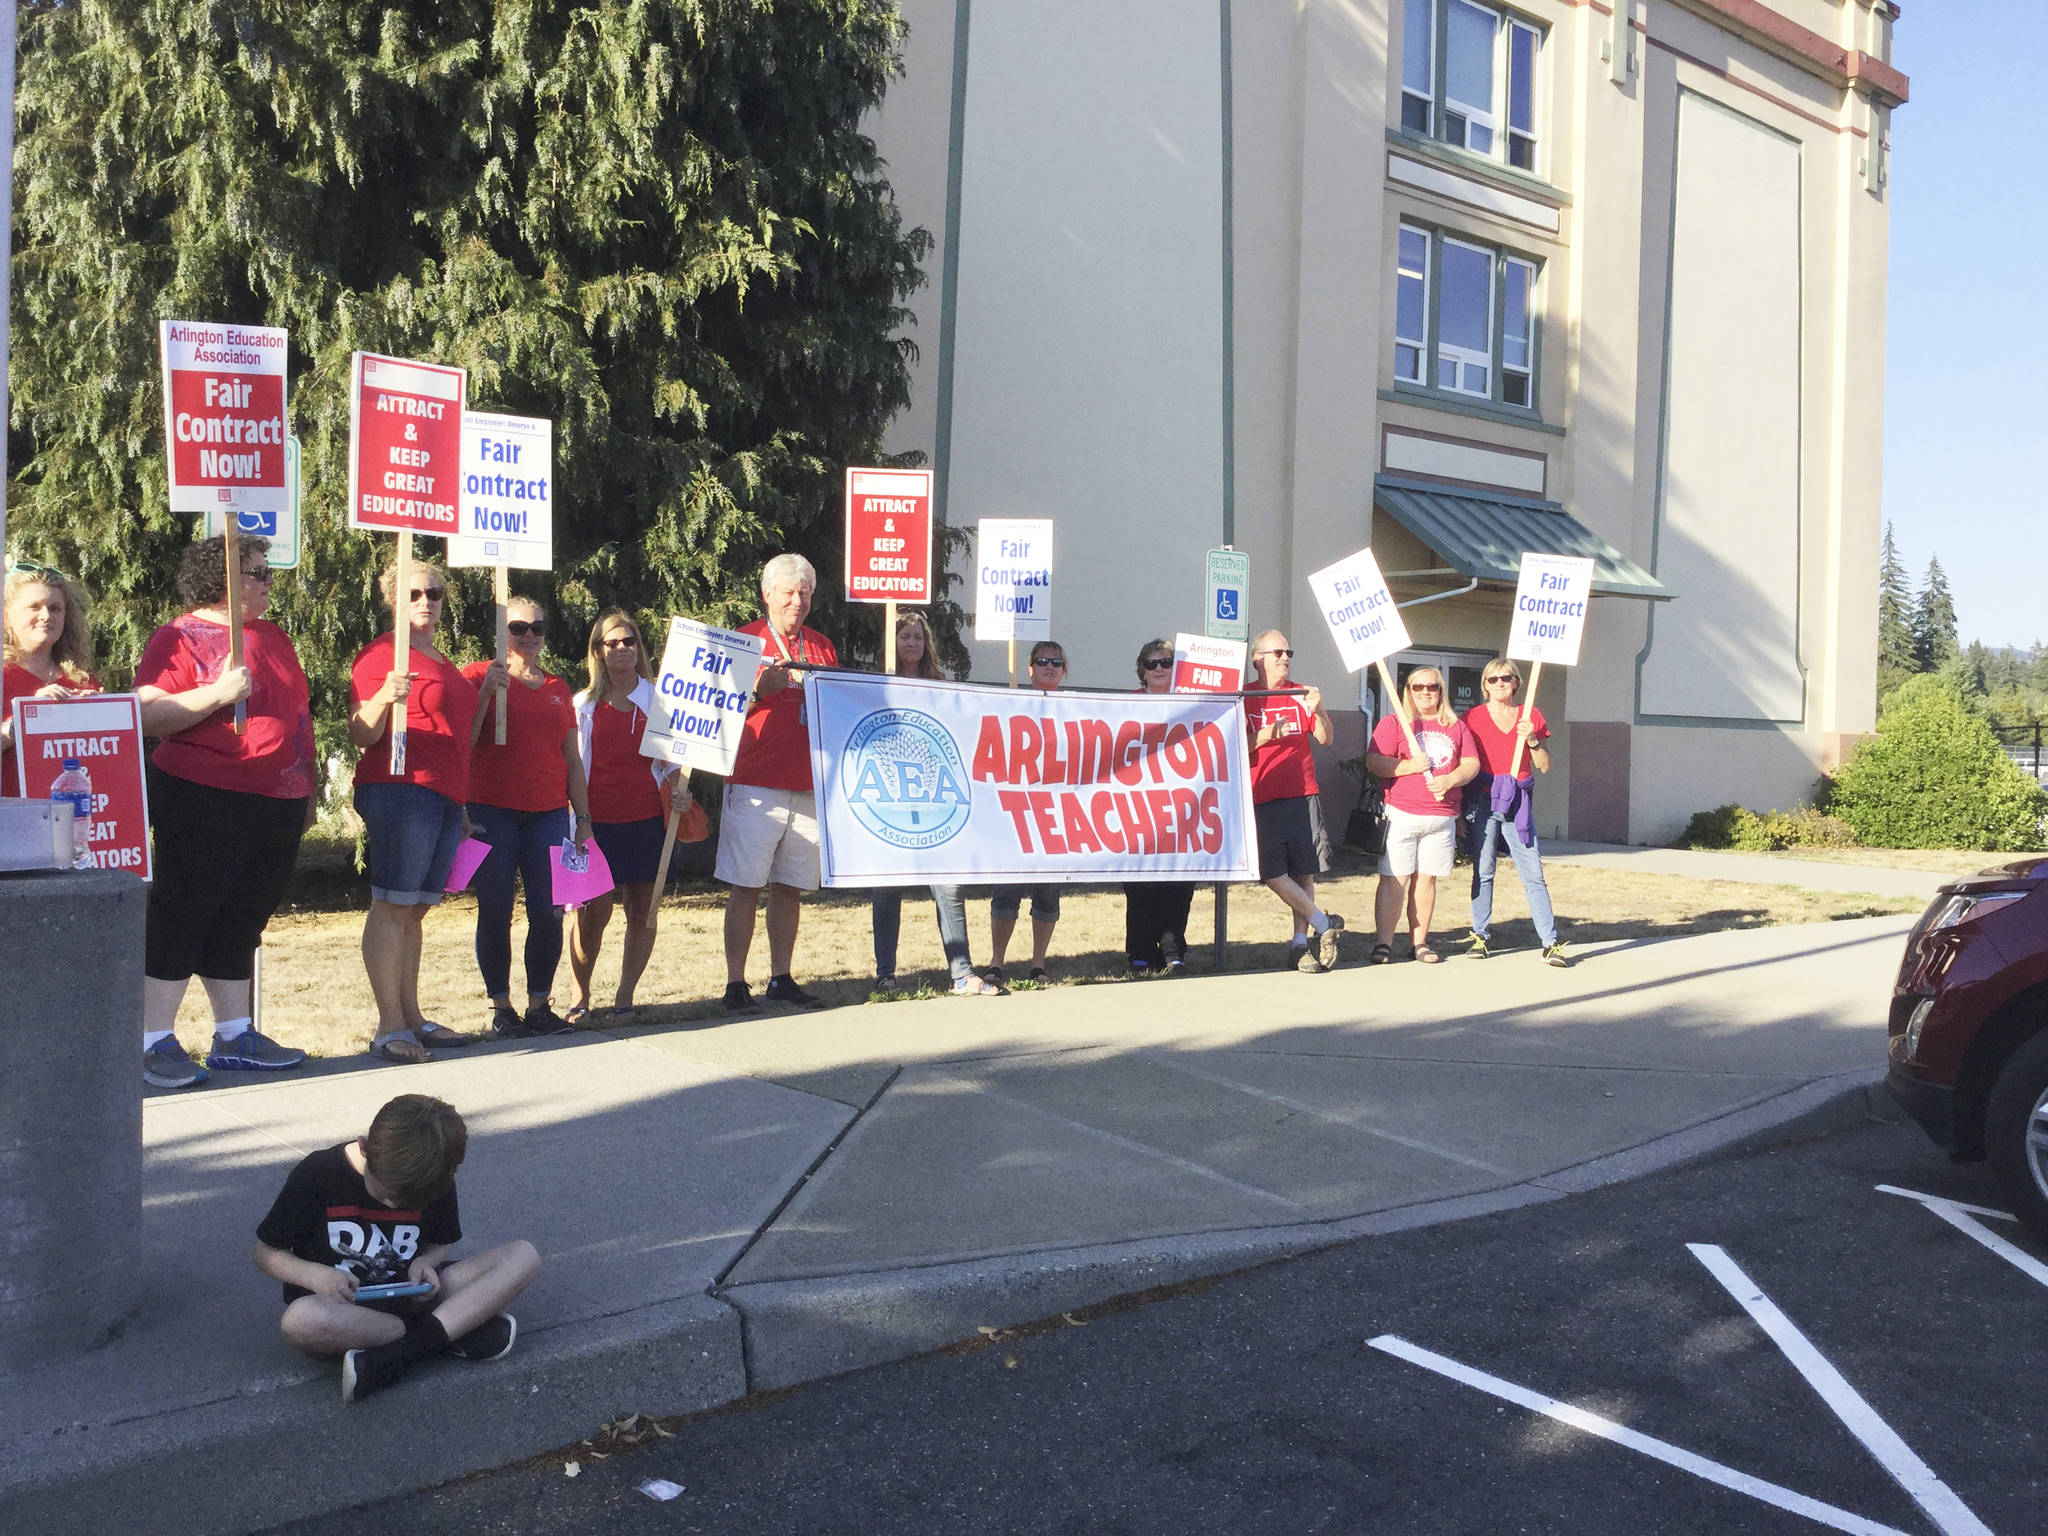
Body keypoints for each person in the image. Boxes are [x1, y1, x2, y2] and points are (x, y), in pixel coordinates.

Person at [134, 535, 314, 1089]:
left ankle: (235, 1033)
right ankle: (151, 1039)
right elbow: (146, 713)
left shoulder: (274, 637)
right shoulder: (179, 635)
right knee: (185, 907)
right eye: (258, 572)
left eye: (265, 571)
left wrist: (306, 787)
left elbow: (297, 714)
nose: (268, 581)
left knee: (242, 913)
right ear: (226, 579)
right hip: (202, 790)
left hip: (277, 796)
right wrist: (214, 695)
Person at [253, 1092, 540, 1404]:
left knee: (523, 1255)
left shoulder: (433, 1176)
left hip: (414, 1295)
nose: (394, 1205)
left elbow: (439, 1243)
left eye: (408, 1203)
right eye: (386, 1194)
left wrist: (427, 1262)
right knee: (299, 1322)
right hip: (346, 1310)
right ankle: (452, 1330)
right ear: (364, 1147)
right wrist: (315, 1276)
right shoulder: (318, 1173)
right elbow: (265, 1252)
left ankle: (398, 1357)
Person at [348, 558, 503, 1063]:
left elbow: (463, 739)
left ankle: (412, 1017)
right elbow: (361, 732)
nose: (425, 602)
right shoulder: (381, 656)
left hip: (441, 796)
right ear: (392, 599)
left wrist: (483, 695)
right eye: (414, 593)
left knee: (415, 910)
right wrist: (382, 697)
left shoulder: (439, 660)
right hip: (399, 789)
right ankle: (388, 1025)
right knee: (392, 904)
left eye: (433, 593)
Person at [463, 597, 596, 1036]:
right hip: (492, 810)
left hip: (549, 814)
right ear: (502, 631)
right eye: (519, 627)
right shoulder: (479, 675)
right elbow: (462, 740)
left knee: (548, 910)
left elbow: (571, 758)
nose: (529, 636)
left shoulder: (558, 687)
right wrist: (485, 693)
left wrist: (584, 815)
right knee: (496, 908)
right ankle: (502, 1008)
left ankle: (539, 1004)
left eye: (538, 628)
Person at [718, 554, 839, 1014]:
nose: (797, 600)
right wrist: (754, 692)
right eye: (788, 591)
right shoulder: (743, 642)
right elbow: (710, 711)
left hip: (808, 784)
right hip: (755, 783)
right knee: (745, 885)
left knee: (790, 886)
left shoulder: (823, 647)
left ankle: (781, 976)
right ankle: (734, 983)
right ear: (767, 594)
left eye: (805, 592)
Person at [568, 609, 691, 1022]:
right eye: (612, 642)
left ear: (639, 648)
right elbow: (571, 766)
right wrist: (578, 820)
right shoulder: (582, 705)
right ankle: (579, 994)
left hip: (645, 821)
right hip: (592, 823)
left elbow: (675, 764)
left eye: (629, 641)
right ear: (598, 652)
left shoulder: (659, 701)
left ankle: (625, 996)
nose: (622, 648)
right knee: (592, 911)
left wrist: (679, 794)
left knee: (644, 908)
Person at [869, 610, 992, 996]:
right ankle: (885, 974)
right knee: (886, 888)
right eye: (904, 636)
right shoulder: (874, 686)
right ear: (893, 642)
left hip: (934, 798)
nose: (911, 643)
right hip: (889, 798)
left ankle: (962, 973)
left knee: (948, 885)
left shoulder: (940, 686)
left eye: (918, 637)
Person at [1244, 630, 1344, 973]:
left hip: (1302, 792)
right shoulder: (1245, 696)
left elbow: (1326, 739)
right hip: (1261, 795)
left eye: (1289, 652)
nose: (1285, 658)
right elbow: (1233, 747)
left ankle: (1300, 946)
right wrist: (1267, 734)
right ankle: (1323, 923)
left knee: (1303, 872)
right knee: (1271, 872)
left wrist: (1318, 711)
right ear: (1258, 658)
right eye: (1278, 652)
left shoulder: (1300, 694)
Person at [1367, 665, 1480, 965]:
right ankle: (1383, 944)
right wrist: (1408, 767)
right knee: (1395, 879)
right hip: (1402, 811)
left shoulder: (1456, 726)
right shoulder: (1395, 723)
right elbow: (1375, 761)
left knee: (1427, 880)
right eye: (1418, 687)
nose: (1426, 692)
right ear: (1408, 692)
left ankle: (1419, 943)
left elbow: (1471, 764)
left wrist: (1451, 779)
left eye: (1432, 687)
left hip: (1441, 816)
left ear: (1441, 691)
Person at [1463, 658, 1571, 966]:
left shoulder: (1530, 715)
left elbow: (1545, 766)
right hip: (1484, 800)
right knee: (1483, 871)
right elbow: (1466, 762)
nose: (1500, 684)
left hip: (1518, 803)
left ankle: (1550, 943)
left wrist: (1533, 739)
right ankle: (1480, 935)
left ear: (1516, 683)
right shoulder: (1472, 717)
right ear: (1485, 685)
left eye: (1506, 678)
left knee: (1533, 873)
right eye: (1493, 679)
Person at [985, 639, 1070, 986]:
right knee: (1007, 889)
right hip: (1017, 811)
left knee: (1047, 892)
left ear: (1064, 671)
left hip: (1059, 813)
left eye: (1057, 662)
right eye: (1042, 660)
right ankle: (996, 962)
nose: (1049, 666)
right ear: (1030, 668)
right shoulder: (1011, 704)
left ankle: (1038, 963)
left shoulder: (1080, 708)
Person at [1123, 638, 1196, 977]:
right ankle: (1139, 951)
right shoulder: (1128, 704)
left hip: (1182, 805)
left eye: (1166, 663)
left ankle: (1172, 950)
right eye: (1152, 664)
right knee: (1140, 885)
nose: (1159, 670)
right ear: (1142, 669)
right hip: (1139, 805)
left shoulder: (1193, 703)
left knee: (1178, 882)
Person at [3, 560, 100, 799]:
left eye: (55, 608)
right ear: (6, 617)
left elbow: (103, 764)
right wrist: (21, 722)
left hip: (70, 823)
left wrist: (103, 717)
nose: (46, 616)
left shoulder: (83, 683)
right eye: (34, 607)